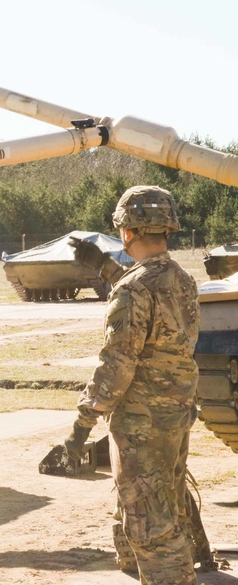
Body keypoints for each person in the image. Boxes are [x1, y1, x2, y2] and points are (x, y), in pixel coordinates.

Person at [65, 185, 200, 585]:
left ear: (126, 231)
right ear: (167, 229)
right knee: (165, 507)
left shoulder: (132, 289)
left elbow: (116, 367)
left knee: (150, 525)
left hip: (141, 423)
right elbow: (150, 296)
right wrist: (105, 267)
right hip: (175, 416)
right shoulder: (183, 279)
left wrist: (80, 427)